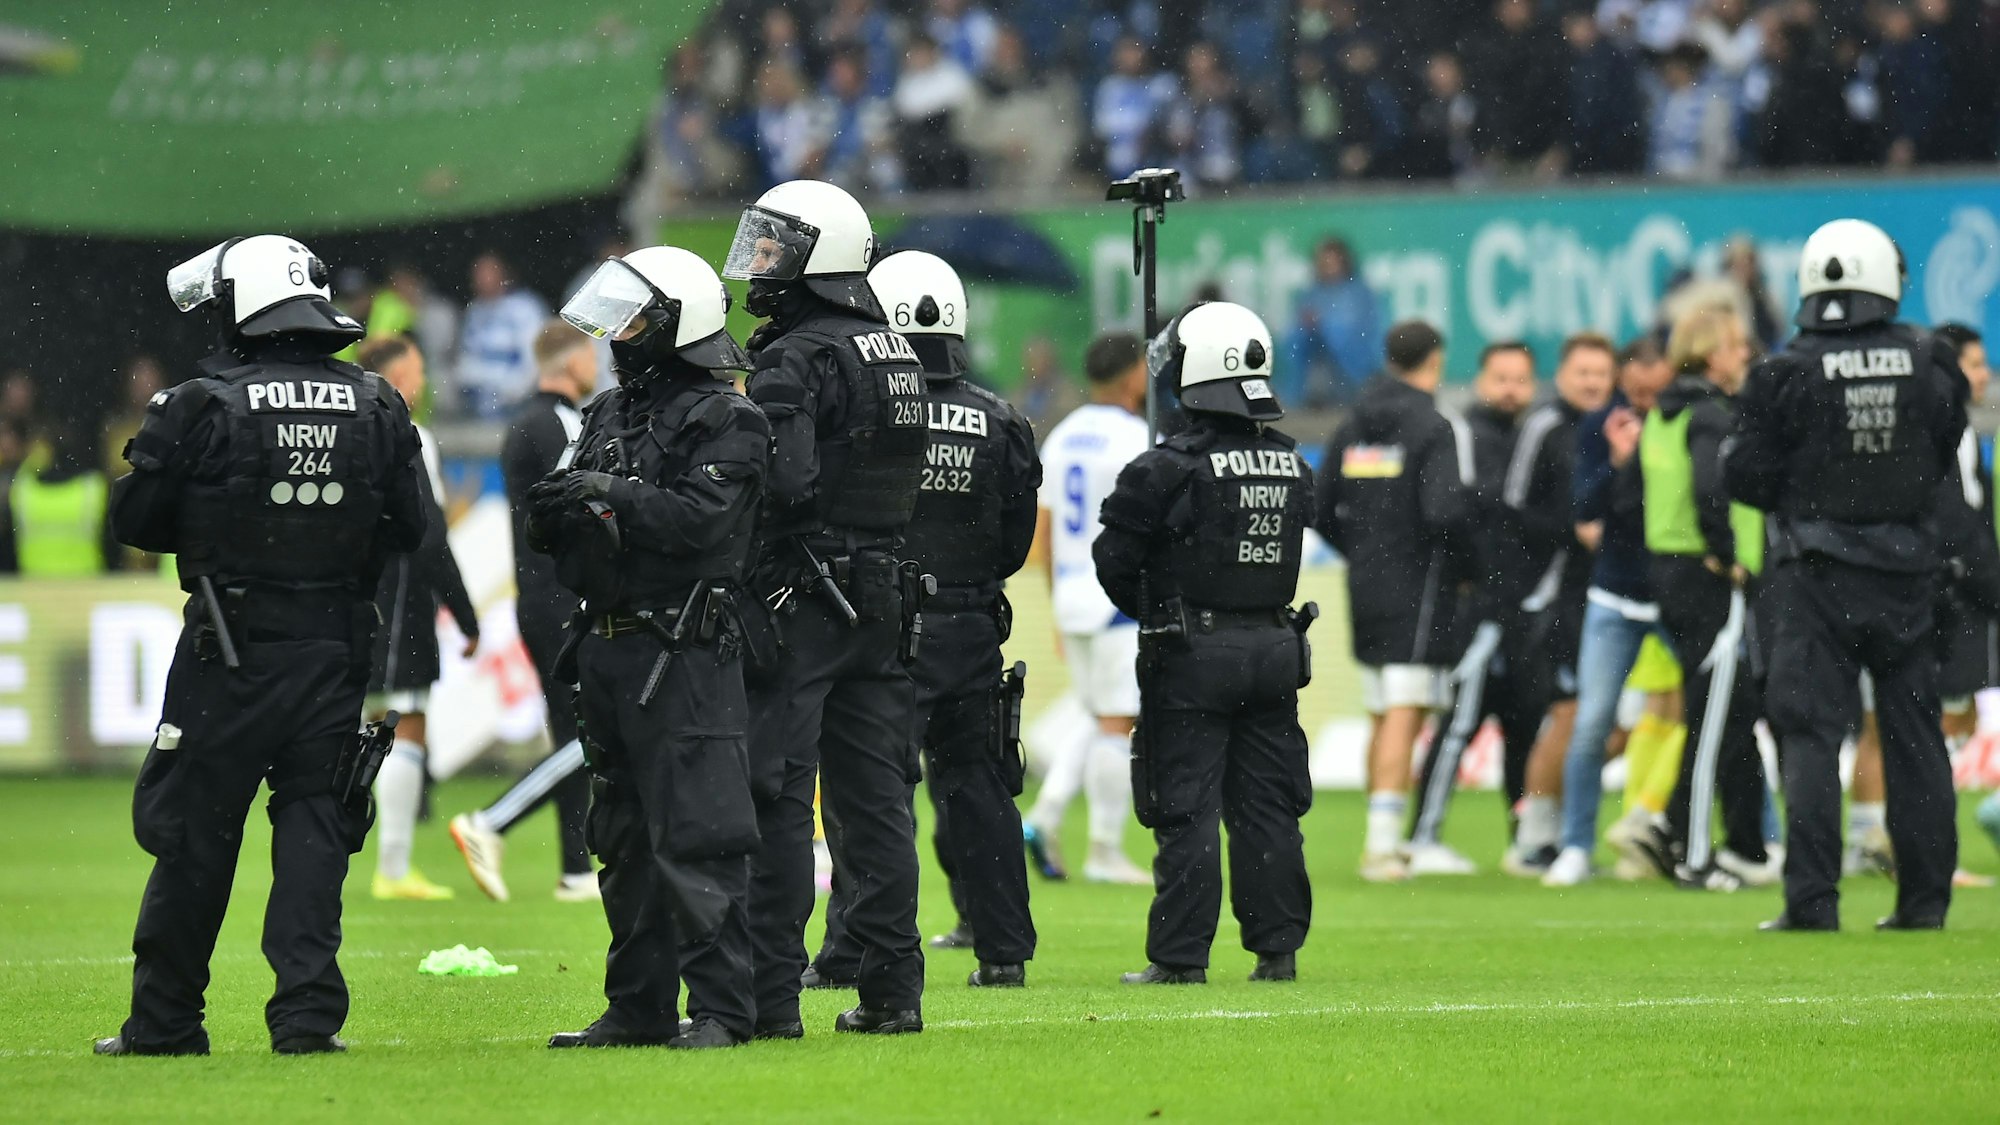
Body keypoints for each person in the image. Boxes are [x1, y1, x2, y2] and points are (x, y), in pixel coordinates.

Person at [95, 235, 426, 1056]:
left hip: (227, 653)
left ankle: (167, 1023)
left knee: (195, 836)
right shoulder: (380, 403)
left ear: (243, 306)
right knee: (317, 832)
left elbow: (136, 520)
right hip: (333, 651)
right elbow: (410, 526)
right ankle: (308, 1022)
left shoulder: (199, 403)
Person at [529, 245, 770, 1048]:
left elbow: (700, 524)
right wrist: (560, 510)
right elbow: (570, 532)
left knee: (700, 833)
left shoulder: (734, 417)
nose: (617, 336)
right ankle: (637, 1006)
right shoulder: (606, 413)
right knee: (622, 838)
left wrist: (611, 496)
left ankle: (723, 1011)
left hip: (687, 649)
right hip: (605, 645)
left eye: (633, 319)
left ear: (675, 327)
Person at [727, 179, 930, 1037]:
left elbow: (789, 484)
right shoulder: (897, 350)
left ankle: (772, 998)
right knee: (876, 798)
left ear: (822, 258)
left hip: (804, 591)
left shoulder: (794, 358)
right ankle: (891, 992)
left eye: (776, 248)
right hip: (883, 588)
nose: (760, 263)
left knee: (777, 788)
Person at [1728, 219, 1970, 931]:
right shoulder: (1932, 358)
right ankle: (1924, 903)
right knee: (1915, 738)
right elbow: (1945, 443)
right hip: (1911, 574)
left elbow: (1744, 474)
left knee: (1808, 734)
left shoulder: (1782, 370)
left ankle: (1812, 901)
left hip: (1815, 573)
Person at [815, 250, 1042, 985]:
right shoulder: (1002, 420)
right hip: (973, 627)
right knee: (980, 791)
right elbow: (1013, 541)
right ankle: (1003, 951)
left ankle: (852, 952)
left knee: (871, 796)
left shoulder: (871, 411)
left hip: (884, 626)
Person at [1094, 301, 1317, 985]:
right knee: (1268, 806)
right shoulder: (1291, 462)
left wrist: (1161, 612)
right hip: (1276, 649)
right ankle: (1277, 950)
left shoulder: (1164, 468)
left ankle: (1180, 956)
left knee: (1185, 805)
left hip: (1192, 654)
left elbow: (1113, 562)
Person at [450, 322, 600, 904]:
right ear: (571, 359)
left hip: (536, 599)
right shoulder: (559, 422)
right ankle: (491, 822)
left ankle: (575, 870)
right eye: (591, 354)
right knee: (595, 733)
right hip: (564, 599)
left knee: (570, 734)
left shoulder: (521, 422)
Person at [1318, 321, 1473, 883]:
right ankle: (1382, 847)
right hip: (1419, 584)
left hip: (1365, 582)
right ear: (1435, 359)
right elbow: (1444, 512)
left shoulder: (1354, 420)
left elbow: (1320, 503)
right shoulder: (1432, 424)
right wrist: (1463, 570)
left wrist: (1361, 548)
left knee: (1383, 710)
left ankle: (1380, 836)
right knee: (1405, 711)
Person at [1845, 322, 1998, 888]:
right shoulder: (1944, 429)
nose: (1984, 375)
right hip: (1937, 593)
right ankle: (1921, 851)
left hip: (1910, 584)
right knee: (1919, 726)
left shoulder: (1929, 425)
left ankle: (1872, 836)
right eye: (1977, 364)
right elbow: (1954, 518)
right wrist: (1982, 584)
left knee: (1889, 723)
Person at [1629, 305, 1774, 891]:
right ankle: (1689, 851)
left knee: (1732, 714)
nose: (1745, 355)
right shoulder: (1711, 414)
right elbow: (1712, 489)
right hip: (1708, 576)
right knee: (1713, 719)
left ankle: (1739, 844)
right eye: (1738, 345)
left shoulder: (1666, 413)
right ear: (1713, 352)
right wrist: (1728, 553)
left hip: (1670, 569)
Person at [1023, 333, 1155, 886]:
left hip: (1073, 593)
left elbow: (1042, 536)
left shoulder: (1063, 436)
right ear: (1132, 376)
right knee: (1115, 720)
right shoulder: (1138, 437)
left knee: (1094, 708)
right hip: (1116, 596)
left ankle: (1046, 815)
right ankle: (1104, 847)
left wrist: (1055, 605)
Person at [1543, 337, 1677, 886]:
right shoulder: (1599, 425)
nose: (1646, 401)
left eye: (1656, 391)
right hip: (1616, 593)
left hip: (1676, 593)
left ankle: (1756, 839)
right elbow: (1585, 506)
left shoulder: (1686, 421)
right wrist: (1622, 461)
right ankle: (1575, 845)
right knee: (1593, 721)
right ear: (1625, 381)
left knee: (1726, 713)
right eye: (1637, 391)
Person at [1404, 342, 1540, 874]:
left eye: (1521, 379)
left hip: (1522, 610)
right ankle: (1422, 836)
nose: (1510, 389)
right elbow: (1456, 520)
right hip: (1481, 609)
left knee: (1523, 727)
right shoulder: (1464, 437)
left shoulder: (1529, 438)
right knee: (1460, 723)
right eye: (1501, 377)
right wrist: (1473, 584)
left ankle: (1524, 840)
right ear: (1481, 379)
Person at [355, 337, 479, 902]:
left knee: (364, 722)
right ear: (397, 375)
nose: (423, 378)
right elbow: (429, 535)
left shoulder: (350, 426)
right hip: (399, 599)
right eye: (418, 368)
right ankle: (394, 867)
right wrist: (464, 609)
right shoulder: (408, 433)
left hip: (352, 597)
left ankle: (344, 854)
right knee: (403, 723)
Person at [1502, 334, 1616, 875]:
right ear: (1563, 375)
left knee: (1610, 722)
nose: (1593, 382)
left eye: (1601, 372)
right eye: (1583, 372)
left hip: (1614, 594)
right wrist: (1574, 532)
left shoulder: (1618, 427)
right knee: (1568, 714)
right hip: (1558, 595)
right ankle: (1535, 836)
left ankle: (1564, 830)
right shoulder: (1545, 427)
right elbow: (1515, 505)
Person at [1282, 238, 1382, 409]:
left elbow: (1358, 331)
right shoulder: (1312, 291)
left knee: (1334, 333)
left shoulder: (1359, 292)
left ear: (1344, 262)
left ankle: (1351, 391)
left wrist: (1324, 323)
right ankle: (1295, 398)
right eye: (1323, 261)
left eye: (1332, 261)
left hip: (1353, 353)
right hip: (1317, 347)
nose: (1327, 266)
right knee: (1296, 338)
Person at [6, 423, 117, 576]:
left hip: (32, 587)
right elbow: (114, 549)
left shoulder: (20, 488)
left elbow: (8, 548)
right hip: (88, 586)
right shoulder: (95, 488)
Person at [457, 252, 549, 418]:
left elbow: (535, 359)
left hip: (519, 406)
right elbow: (467, 361)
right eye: (478, 273)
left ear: (503, 273)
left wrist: (512, 393)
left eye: (488, 272)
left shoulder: (525, 307)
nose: (483, 279)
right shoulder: (475, 311)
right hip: (483, 408)